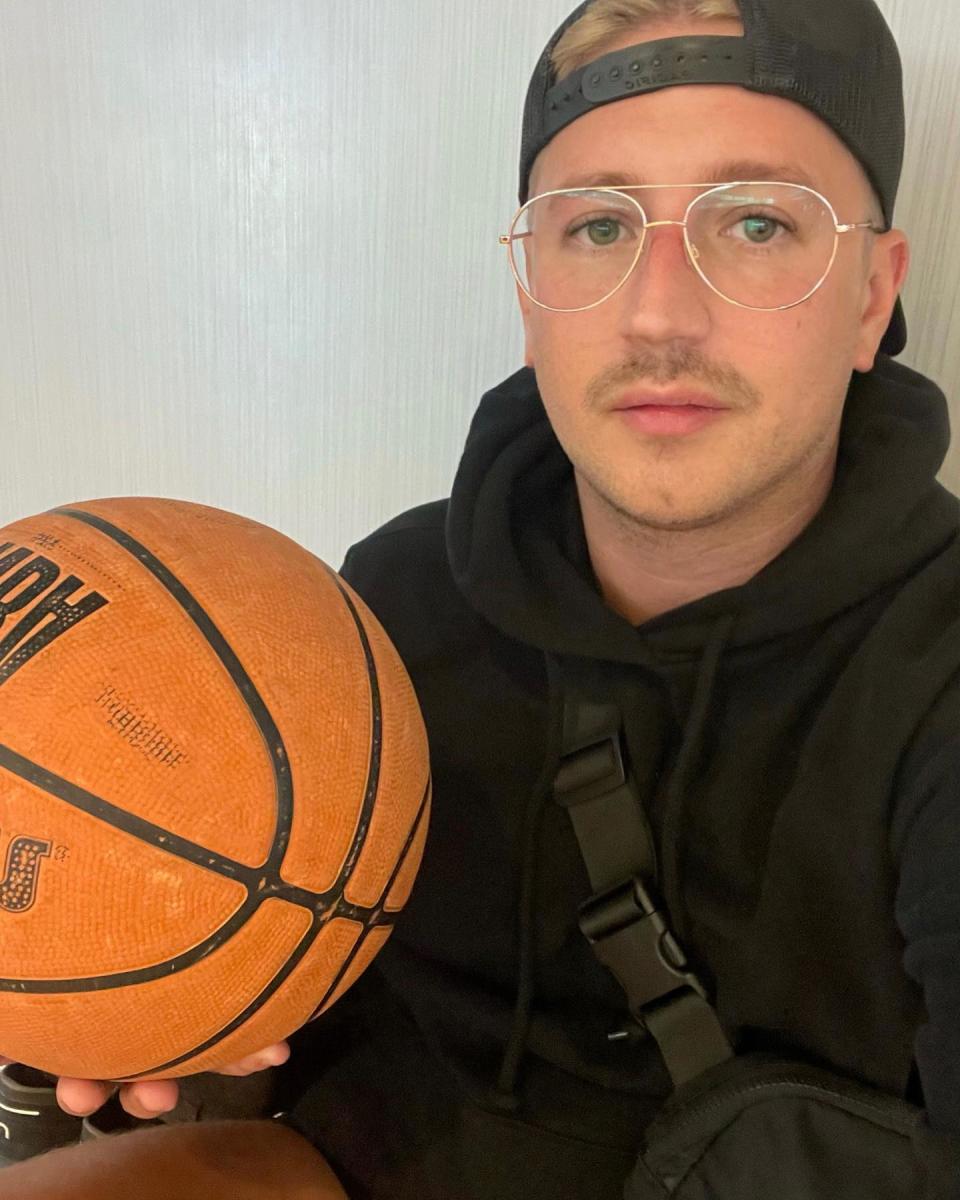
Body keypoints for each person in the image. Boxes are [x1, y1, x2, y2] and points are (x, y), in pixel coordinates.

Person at [2, 0, 959, 1195]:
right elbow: (277, 1025)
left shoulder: (939, 669)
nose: (660, 312)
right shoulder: (380, 610)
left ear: (873, 295)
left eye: (757, 221)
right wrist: (131, 994)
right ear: (529, 283)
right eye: (600, 225)